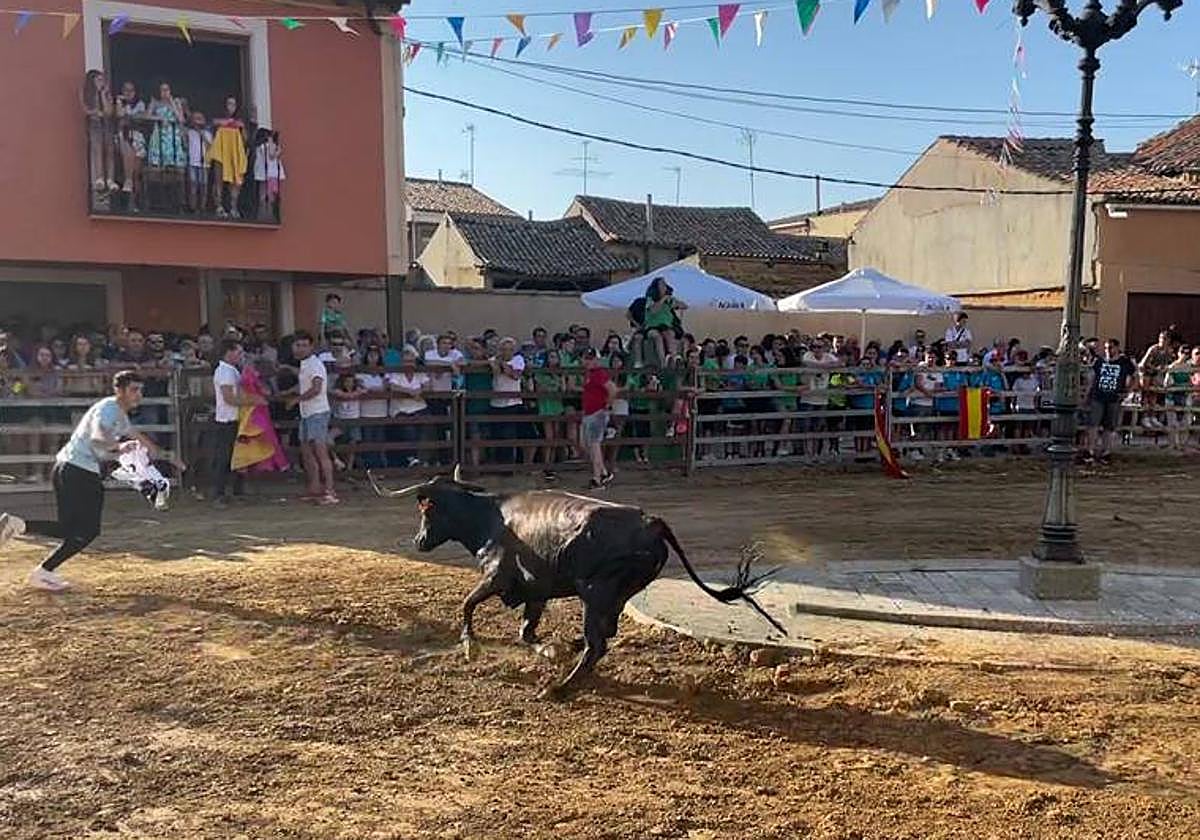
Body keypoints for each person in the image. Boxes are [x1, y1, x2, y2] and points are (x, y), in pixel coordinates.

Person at [0, 370, 182, 592]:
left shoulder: (116, 413)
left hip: (66, 468)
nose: (139, 395)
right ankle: (43, 570)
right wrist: (119, 447)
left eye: (140, 390)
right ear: (119, 390)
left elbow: (138, 438)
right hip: (81, 473)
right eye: (134, 390)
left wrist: (166, 455)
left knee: (69, 528)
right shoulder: (109, 409)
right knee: (87, 531)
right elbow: (98, 438)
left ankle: (19, 527)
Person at [211, 339, 266, 506]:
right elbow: (229, 398)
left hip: (234, 418)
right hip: (228, 419)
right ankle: (220, 493)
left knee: (238, 457)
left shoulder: (231, 370)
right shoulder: (225, 371)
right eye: (238, 352)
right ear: (229, 352)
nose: (241, 356)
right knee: (226, 457)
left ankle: (234, 491)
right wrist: (253, 400)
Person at [289, 331, 337, 503]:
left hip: (317, 411)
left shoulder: (315, 364)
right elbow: (305, 385)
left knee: (320, 451)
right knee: (307, 452)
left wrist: (297, 399)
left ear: (311, 347)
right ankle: (315, 487)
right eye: (297, 345)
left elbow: (316, 388)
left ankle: (330, 489)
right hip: (306, 412)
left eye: (304, 345)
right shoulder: (305, 365)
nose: (300, 349)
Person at [1086, 338, 1138, 465]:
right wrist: (1087, 394)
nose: (1108, 351)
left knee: (1109, 427)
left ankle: (1106, 452)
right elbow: (1092, 378)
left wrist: (1128, 391)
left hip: (1114, 398)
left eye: (1110, 348)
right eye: (1106, 348)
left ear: (1117, 348)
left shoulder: (1124, 362)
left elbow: (1135, 376)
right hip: (1098, 396)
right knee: (1093, 424)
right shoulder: (1100, 361)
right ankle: (1090, 451)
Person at [145, 81, 187, 209]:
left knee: (175, 168)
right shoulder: (155, 103)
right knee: (157, 168)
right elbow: (147, 117)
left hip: (172, 135)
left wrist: (172, 103)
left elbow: (181, 119)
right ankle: (157, 200)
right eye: (162, 90)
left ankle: (177, 201)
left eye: (167, 89)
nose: (164, 92)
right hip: (159, 135)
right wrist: (158, 118)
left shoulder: (176, 102)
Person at [580, 348, 617, 490]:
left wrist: (607, 405)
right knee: (589, 445)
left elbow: (612, 389)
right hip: (590, 413)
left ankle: (597, 478)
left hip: (597, 413)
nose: (588, 361)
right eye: (586, 358)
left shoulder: (599, 373)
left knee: (594, 445)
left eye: (591, 358)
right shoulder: (591, 374)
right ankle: (603, 473)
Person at [207, 95, 248, 218]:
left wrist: (241, 127)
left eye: (233, 104)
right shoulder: (218, 120)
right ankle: (219, 206)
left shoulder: (240, 122)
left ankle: (233, 208)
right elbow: (210, 126)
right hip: (220, 151)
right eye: (229, 103)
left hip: (235, 152)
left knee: (236, 181)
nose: (231, 107)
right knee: (218, 180)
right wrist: (223, 123)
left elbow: (245, 139)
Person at [81, 70, 116, 197]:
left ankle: (110, 179)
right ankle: (99, 177)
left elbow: (109, 111)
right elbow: (85, 109)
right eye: (99, 80)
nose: (101, 82)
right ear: (92, 81)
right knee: (97, 148)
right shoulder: (86, 93)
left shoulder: (106, 94)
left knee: (109, 150)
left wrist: (102, 94)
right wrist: (95, 112)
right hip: (95, 124)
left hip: (106, 125)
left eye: (102, 80)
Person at [253, 129, 285, 221]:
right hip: (270, 174)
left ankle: (265, 214)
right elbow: (271, 155)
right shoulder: (266, 146)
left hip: (265, 174)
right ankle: (268, 215)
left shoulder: (260, 147)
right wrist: (278, 151)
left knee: (264, 195)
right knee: (269, 196)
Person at [185, 111, 213, 214]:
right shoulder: (189, 132)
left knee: (203, 185)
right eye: (195, 118)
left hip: (204, 162)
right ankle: (193, 207)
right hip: (192, 162)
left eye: (199, 118)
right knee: (193, 184)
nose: (197, 121)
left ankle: (202, 207)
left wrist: (202, 134)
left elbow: (210, 147)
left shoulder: (207, 133)